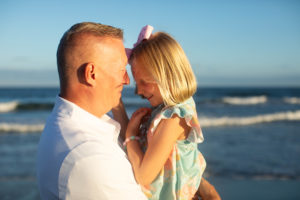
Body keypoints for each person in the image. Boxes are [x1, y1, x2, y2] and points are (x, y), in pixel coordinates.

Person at [36, 22, 148, 200]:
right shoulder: (90, 158)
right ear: (92, 74)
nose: (127, 81)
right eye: (121, 70)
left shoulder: (70, 124)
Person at [124, 25, 221, 200]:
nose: (138, 91)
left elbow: (143, 175)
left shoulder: (174, 118)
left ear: (167, 76)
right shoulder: (163, 110)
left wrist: (131, 136)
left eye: (143, 82)